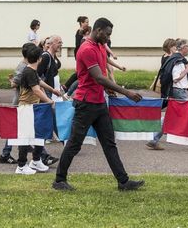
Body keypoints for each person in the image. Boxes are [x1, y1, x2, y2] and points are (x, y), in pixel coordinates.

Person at [53, 17, 144, 192]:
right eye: (107, 34)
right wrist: (126, 92)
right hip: (86, 104)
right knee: (74, 143)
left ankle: (123, 182)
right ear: (98, 30)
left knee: (109, 143)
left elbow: (102, 74)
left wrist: (109, 90)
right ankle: (59, 180)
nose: (108, 38)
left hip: (99, 102)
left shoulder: (100, 46)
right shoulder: (86, 49)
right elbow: (98, 77)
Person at [146, 39, 188, 152]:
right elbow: (176, 78)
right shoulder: (178, 60)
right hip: (178, 91)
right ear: (183, 47)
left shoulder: (175, 58)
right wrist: (187, 69)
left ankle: (153, 140)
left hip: (177, 90)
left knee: (170, 115)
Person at [16, 44, 55, 174]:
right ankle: (21, 166)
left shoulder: (31, 71)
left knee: (40, 133)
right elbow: (37, 90)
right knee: (25, 136)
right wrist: (49, 101)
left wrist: (52, 90)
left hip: (34, 107)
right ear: (39, 59)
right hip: (26, 107)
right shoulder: (29, 71)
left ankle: (36, 160)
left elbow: (38, 82)